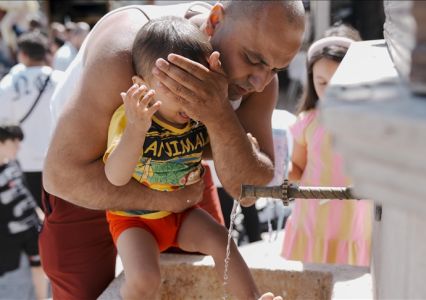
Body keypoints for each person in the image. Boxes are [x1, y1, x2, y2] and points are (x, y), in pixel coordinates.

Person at [42, 1, 305, 299]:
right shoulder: (123, 53)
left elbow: (247, 191)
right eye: (252, 58)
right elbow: (60, 177)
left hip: (180, 177)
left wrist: (218, 114)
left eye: (276, 68)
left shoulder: (260, 80)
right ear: (215, 20)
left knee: (204, 278)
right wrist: (164, 199)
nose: (260, 82)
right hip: (88, 183)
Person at [104, 16, 266, 299]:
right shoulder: (132, 118)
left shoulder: (200, 116)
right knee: (145, 279)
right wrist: (135, 130)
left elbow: (218, 149)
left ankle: (252, 297)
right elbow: (115, 177)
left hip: (183, 214)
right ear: (141, 84)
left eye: (193, 85)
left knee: (221, 240)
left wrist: (243, 145)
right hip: (134, 220)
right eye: (173, 86)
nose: (185, 97)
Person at [281, 24, 373, 266]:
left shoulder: (372, 122)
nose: (330, 92)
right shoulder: (308, 121)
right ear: (312, 80)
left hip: (355, 223)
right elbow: (297, 170)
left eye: (340, 83)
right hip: (313, 220)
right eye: (322, 83)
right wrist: (274, 160)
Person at [0, 31, 63, 210]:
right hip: (58, 159)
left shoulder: (9, 83)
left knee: (34, 215)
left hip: (23, 159)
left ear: (23, 54)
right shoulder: (61, 79)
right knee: (56, 213)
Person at [0, 124, 47, 300]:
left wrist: (38, 213)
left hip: (30, 229)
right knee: (9, 273)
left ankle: (41, 298)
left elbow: (25, 191)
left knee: (39, 264)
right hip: (7, 235)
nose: (19, 147)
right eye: (15, 142)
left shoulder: (14, 163)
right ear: (2, 142)